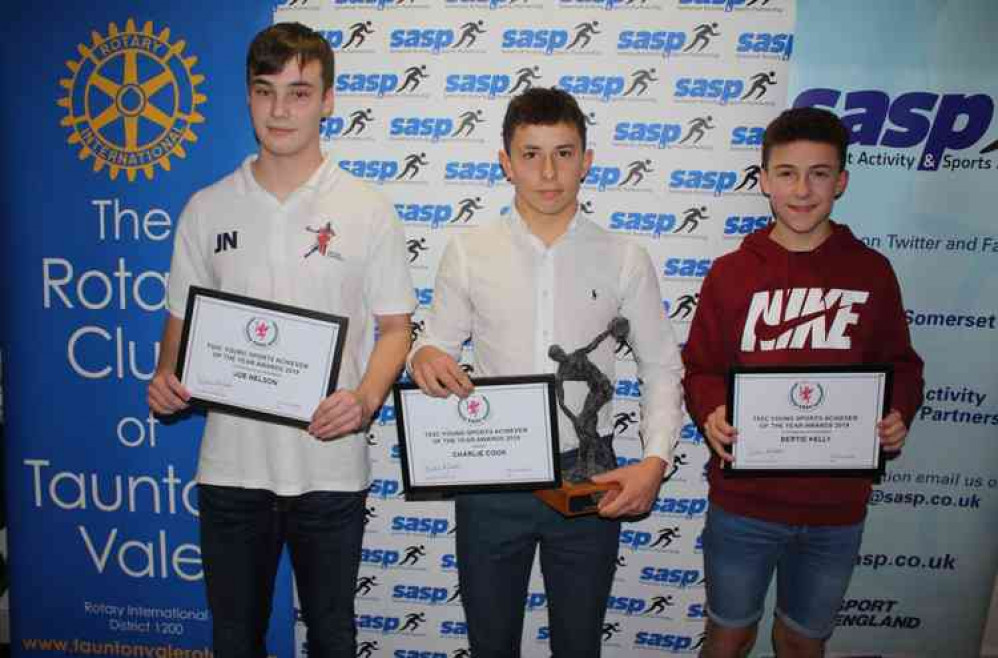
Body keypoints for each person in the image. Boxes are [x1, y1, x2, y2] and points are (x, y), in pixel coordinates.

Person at [145, 22, 414, 658]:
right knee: (234, 639)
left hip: (329, 465)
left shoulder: (366, 208)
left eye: (299, 93)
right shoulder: (206, 209)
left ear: (327, 100)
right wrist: (165, 379)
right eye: (266, 92)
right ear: (248, 97)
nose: (280, 110)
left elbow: (396, 329)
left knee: (331, 636)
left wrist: (366, 399)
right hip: (232, 470)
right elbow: (179, 323)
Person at [409, 87, 684, 657]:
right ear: (506, 162)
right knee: (491, 645)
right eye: (530, 154)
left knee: (579, 646)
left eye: (564, 152)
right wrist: (425, 358)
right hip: (490, 473)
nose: (549, 171)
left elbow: (660, 367)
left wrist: (655, 461)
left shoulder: (624, 256)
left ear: (587, 159)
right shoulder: (468, 251)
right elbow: (435, 344)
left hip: (589, 473)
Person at [682, 107, 924, 658]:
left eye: (819, 173)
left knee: (801, 642)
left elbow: (903, 365)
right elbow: (700, 367)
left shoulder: (871, 271)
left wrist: (897, 412)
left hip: (835, 509)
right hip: (744, 504)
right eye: (787, 173)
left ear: (840, 181)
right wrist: (713, 409)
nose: (802, 189)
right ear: (764, 179)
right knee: (729, 636)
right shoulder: (731, 273)